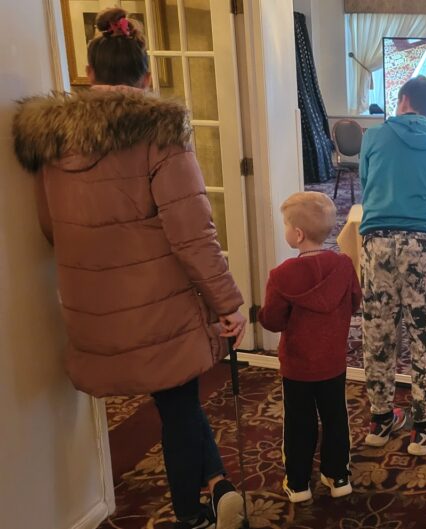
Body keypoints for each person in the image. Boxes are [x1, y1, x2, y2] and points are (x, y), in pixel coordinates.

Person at [12, 8, 247, 529]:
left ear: (90, 75)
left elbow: (51, 227)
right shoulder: (160, 130)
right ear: (145, 77)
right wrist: (229, 303)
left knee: (176, 400)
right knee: (179, 402)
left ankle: (215, 484)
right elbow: (191, 233)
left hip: (91, 300)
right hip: (159, 299)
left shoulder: (49, 138)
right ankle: (195, 511)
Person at [358, 75, 426, 456]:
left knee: (378, 332)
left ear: (401, 101)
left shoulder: (373, 137)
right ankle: (424, 427)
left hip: (377, 241)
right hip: (424, 242)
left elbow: (367, 187)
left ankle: (381, 420)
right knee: (423, 335)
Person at [258, 192, 361, 503]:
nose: (286, 230)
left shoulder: (282, 276)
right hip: (332, 361)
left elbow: (273, 321)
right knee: (335, 416)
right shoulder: (343, 266)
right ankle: (338, 474)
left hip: (298, 365)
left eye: (286, 225)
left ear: (298, 234)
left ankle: (299, 482)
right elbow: (355, 301)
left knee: (299, 421)